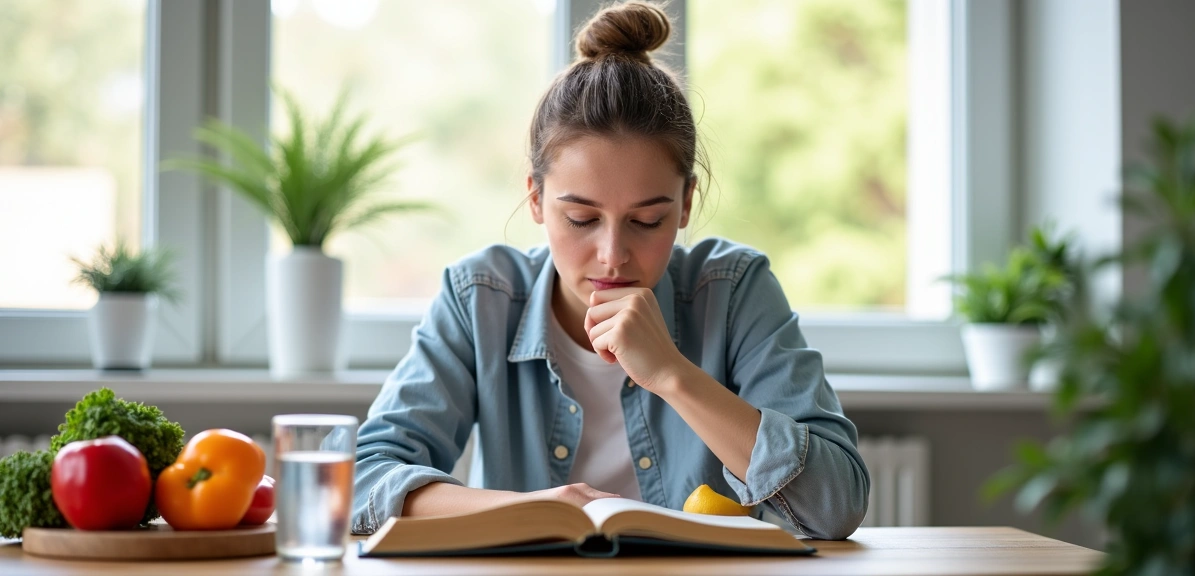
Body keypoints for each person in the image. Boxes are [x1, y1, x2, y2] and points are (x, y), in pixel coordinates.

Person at [351, 0, 869, 540]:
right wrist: (534, 509)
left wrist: (672, 373)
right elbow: (364, 476)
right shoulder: (480, 297)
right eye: (581, 218)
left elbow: (836, 506)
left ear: (687, 203)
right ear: (535, 198)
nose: (613, 254)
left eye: (647, 220)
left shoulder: (734, 291)